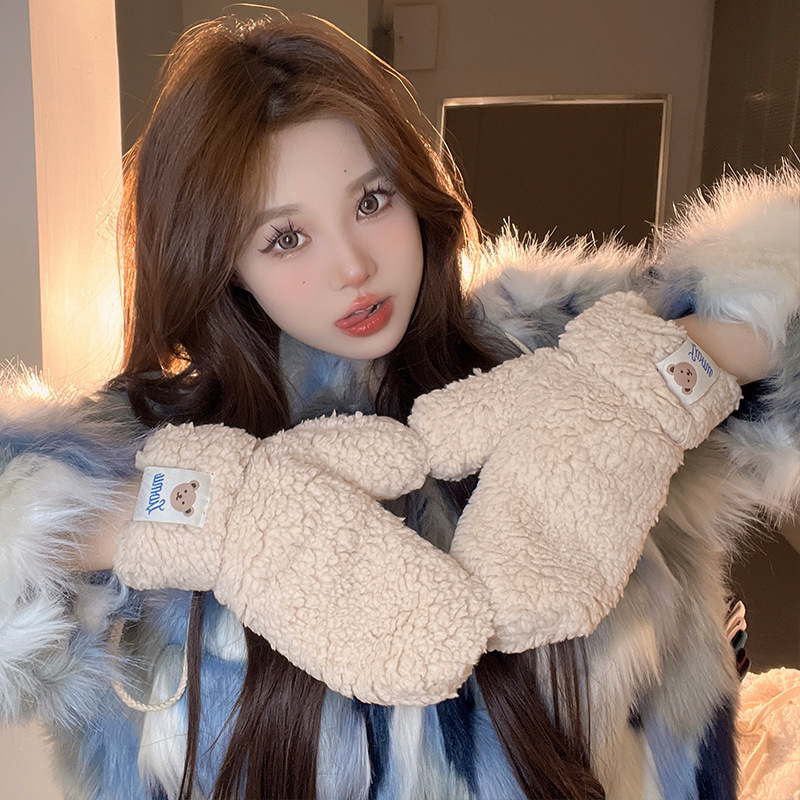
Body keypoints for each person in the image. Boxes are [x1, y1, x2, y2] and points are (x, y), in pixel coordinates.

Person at [0, 13, 796, 800]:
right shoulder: (141, 455)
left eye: (371, 201)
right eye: (285, 238)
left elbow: (778, 303)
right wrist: (212, 514)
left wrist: (632, 389)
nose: (353, 265)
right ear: (225, 261)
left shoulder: (564, 347)